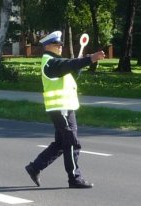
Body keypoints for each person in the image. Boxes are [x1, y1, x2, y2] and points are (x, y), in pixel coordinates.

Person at [25, 31, 105, 189]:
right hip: (59, 108)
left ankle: (35, 167)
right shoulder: (49, 62)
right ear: (48, 46)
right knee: (71, 142)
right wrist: (89, 59)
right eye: (57, 45)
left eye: (61, 45)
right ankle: (74, 178)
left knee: (61, 143)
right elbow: (67, 65)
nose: (61, 47)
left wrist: (80, 65)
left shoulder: (55, 62)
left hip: (66, 107)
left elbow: (69, 71)